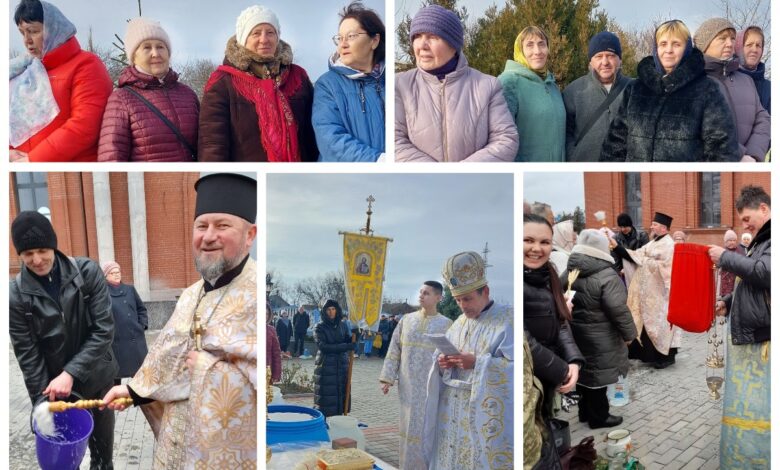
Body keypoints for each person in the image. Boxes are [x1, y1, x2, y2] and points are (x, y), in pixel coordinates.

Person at [103, 173, 257, 467]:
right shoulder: (189, 295)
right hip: (173, 445)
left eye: (222, 225)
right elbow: (166, 355)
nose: (209, 236)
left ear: (250, 235)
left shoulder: (255, 296)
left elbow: (262, 386)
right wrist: (133, 391)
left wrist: (207, 370)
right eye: (202, 226)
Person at [10, 211, 118, 469]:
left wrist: (71, 372)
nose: (36, 260)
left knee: (103, 459)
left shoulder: (87, 272)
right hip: (57, 393)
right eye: (27, 254)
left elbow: (104, 330)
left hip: (99, 381)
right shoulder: (15, 296)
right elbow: (28, 355)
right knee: (65, 461)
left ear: (53, 245)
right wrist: (42, 402)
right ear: (20, 256)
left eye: (41, 250)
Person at [422, 252, 513, 469]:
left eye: (468, 298)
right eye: (457, 300)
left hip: (482, 415)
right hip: (451, 412)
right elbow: (442, 359)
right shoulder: (459, 323)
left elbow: (519, 371)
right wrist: (443, 362)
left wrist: (478, 363)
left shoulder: (508, 320)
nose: (463, 306)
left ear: (486, 292)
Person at [600, 20, 739, 162]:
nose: (669, 50)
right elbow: (615, 141)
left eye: (676, 44)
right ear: (656, 48)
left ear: (687, 49)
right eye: (663, 44)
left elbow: (722, 148)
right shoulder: (635, 89)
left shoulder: (706, 90)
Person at [395, 5, 518, 162]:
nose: (422, 45)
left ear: (453, 45)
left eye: (432, 37)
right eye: (417, 36)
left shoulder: (487, 86)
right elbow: (395, 141)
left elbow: (506, 139)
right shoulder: (399, 85)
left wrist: (460, 173)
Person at [198, 5, 318, 161]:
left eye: (270, 32)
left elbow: (313, 134)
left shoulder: (297, 77)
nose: (264, 39)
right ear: (243, 38)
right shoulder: (222, 82)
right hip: (248, 179)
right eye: (256, 33)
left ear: (277, 37)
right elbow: (212, 144)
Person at [707, 185, 770, 468]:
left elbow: (766, 273)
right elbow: (751, 285)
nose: (745, 225)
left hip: (764, 339)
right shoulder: (761, 240)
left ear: (764, 209)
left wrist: (725, 258)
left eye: (747, 219)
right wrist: (728, 302)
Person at [10, 0, 112, 162]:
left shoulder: (86, 64)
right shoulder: (24, 70)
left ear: (54, 30)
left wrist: (33, 160)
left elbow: (84, 126)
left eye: (33, 31)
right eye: (23, 33)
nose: (27, 40)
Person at [98, 18, 199, 162]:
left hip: (189, 181)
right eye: (147, 47)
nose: (155, 53)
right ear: (134, 56)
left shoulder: (188, 94)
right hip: (150, 183)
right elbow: (111, 157)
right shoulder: (121, 99)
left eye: (160, 47)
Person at [563, 230, 636, 429]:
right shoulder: (607, 275)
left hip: (576, 334)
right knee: (598, 377)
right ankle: (599, 417)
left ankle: (584, 413)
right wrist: (630, 334)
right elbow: (618, 310)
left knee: (584, 373)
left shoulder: (570, 270)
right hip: (601, 336)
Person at [379, 281, 452, 469]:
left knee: (426, 430)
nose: (421, 295)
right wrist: (388, 378)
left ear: (438, 297)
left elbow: (451, 356)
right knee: (406, 429)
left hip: (432, 389)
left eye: (426, 293)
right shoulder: (407, 320)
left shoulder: (447, 325)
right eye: (420, 292)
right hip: (407, 386)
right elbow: (394, 348)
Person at [523, 214, 584, 418]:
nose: (537, 248)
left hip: (545, 379)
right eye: (528, 240)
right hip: (528, 383)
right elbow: (524, 341)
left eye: (545, 242)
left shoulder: (549, 273)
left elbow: (560, 320)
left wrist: (573, 360)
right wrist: (561, 369)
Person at [313, 1, 385, 162]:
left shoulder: (390, 81)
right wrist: (377, 160)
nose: (343, 44)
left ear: (374, 40)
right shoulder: (327, 85)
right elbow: (330, 138)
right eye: (339, 38)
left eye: (351, 36)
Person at [610, 212, 680, 368]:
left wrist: (647, 262)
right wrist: (618, 248)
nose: (651, 226)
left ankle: (665, 358)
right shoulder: (654, 242)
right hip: (649, 292)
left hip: (661, 293)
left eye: (654, 224)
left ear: (663, 227)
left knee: (660, 323)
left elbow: (667, 267)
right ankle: (650, 356)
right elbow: (637, 255)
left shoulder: (669, 244)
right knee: (646, 321)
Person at [695, 18, 770, 163]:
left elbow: (763, 118)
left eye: (732, 38)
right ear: (706, 44)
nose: (730, 44)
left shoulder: (746, 80)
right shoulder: (694, 80)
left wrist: (753, 155)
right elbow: (698, 127)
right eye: (722, 38)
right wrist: (739, 154)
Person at [498, 26, 565, 161]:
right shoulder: (509, 82)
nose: (537, 51)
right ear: (520, 50)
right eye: (530, 45)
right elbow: (499, 138)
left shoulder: (552, 86)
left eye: (542, 44)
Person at [563, 32, 633, 162]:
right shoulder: (573, 91)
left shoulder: (635, 88)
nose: (605, 62)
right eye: (599, 56)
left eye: (611, 56)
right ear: (591, 61)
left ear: (620, 59)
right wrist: (574, 156)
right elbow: (566, 132)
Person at [101, 261, 148, 386]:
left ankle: (144, 403)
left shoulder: (130, 289)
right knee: (114, 380)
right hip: (116, 344)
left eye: (118, 272)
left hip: (135, 342)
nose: (117, 275)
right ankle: (114, 405)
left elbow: (141, 309)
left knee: (141, 382)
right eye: (113, 273)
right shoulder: (103, 293)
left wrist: (141, 325)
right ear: (106, 276)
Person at [313, 299, 353, 417]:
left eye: (333, 309)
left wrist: (355, 337)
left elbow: (347, 340)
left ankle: (339, 421)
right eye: (328, 309)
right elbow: (323, 346)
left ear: (337, 310)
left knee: (341, 394)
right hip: (326, 366)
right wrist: (346, 346)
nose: (331, 312)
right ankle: (325, 423)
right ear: (324, 311)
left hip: (342, 365)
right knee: (327, 398)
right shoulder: (319, 327)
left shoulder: (342, 325)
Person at [737, 26, 770, 114]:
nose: (754, 50)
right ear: (739, 48)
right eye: (749, 45)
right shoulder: (726, 79)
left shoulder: (769, 88)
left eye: (758, 45)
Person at [719, 230, 743, 297]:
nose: (732, 242)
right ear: (726, 242)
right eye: (730, 240)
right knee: (725, 300)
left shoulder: (740, 251)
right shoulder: (722, 251)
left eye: (734, 240)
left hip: (736, 280)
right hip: (725, 281)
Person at [267, 303, 282, 383]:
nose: (264, 316)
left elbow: (276, 354)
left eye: (266, 314)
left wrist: (276, 374)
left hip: (266, 372)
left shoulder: (271, 330)